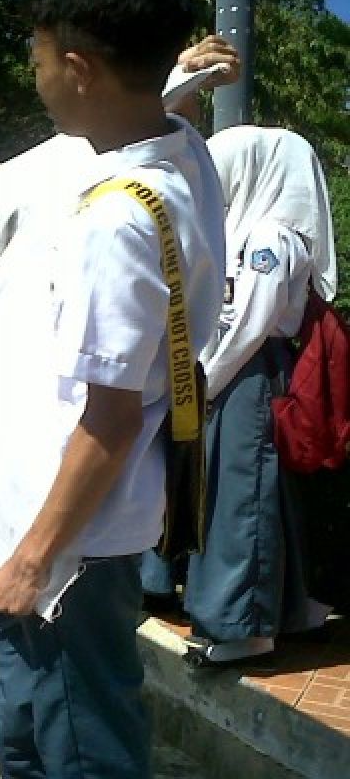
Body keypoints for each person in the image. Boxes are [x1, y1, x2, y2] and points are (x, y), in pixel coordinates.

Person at [0, 0, 224, 777]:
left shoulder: (115, 220)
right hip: (74, 524)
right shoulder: (183, 154)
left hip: (71, 540)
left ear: (77, 68)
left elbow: (110, 418)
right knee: (27, 728)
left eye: (39, 58)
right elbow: (153, 115)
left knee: (80, 743)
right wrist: (175, 78)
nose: (35, 75)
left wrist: (32, 558)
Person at [162, 127, 336, 667]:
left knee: (244, 497)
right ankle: (283, 614)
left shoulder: (269, 238)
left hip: (248, 375)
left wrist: (204, 381)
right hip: (241, 371)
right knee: (253, 494)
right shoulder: (252, 230)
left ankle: (245, 628)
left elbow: (249, 324)